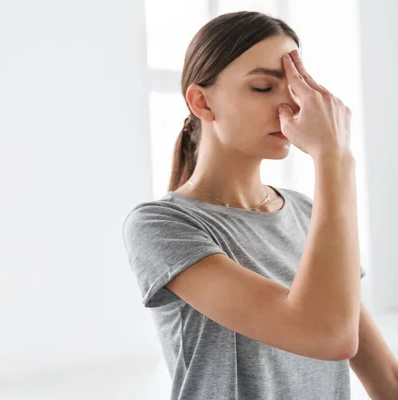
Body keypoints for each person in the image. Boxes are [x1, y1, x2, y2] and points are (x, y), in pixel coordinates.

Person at [122, 11, 398, 400]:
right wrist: (334, 157)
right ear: (202, 102)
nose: (292, 106)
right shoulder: (160, 226)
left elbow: (386, 376)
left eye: (296, 87)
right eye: (264, 88)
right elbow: (326, 335)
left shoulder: (307, 213)